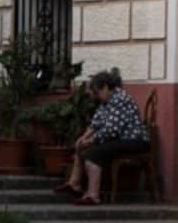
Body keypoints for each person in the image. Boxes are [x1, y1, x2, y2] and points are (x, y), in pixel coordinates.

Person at [56, 69, 148, 204]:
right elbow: (96, 123)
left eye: (97, 92)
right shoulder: (106, 102)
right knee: (82, 148)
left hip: (134, 140)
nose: (95, 96)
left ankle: (93, 196)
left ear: (105, 87)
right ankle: (74, 184)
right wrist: (83, 138)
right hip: (119, 139)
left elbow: (112, 130)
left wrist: (91, 141)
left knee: (93, 155)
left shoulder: (119, 100)